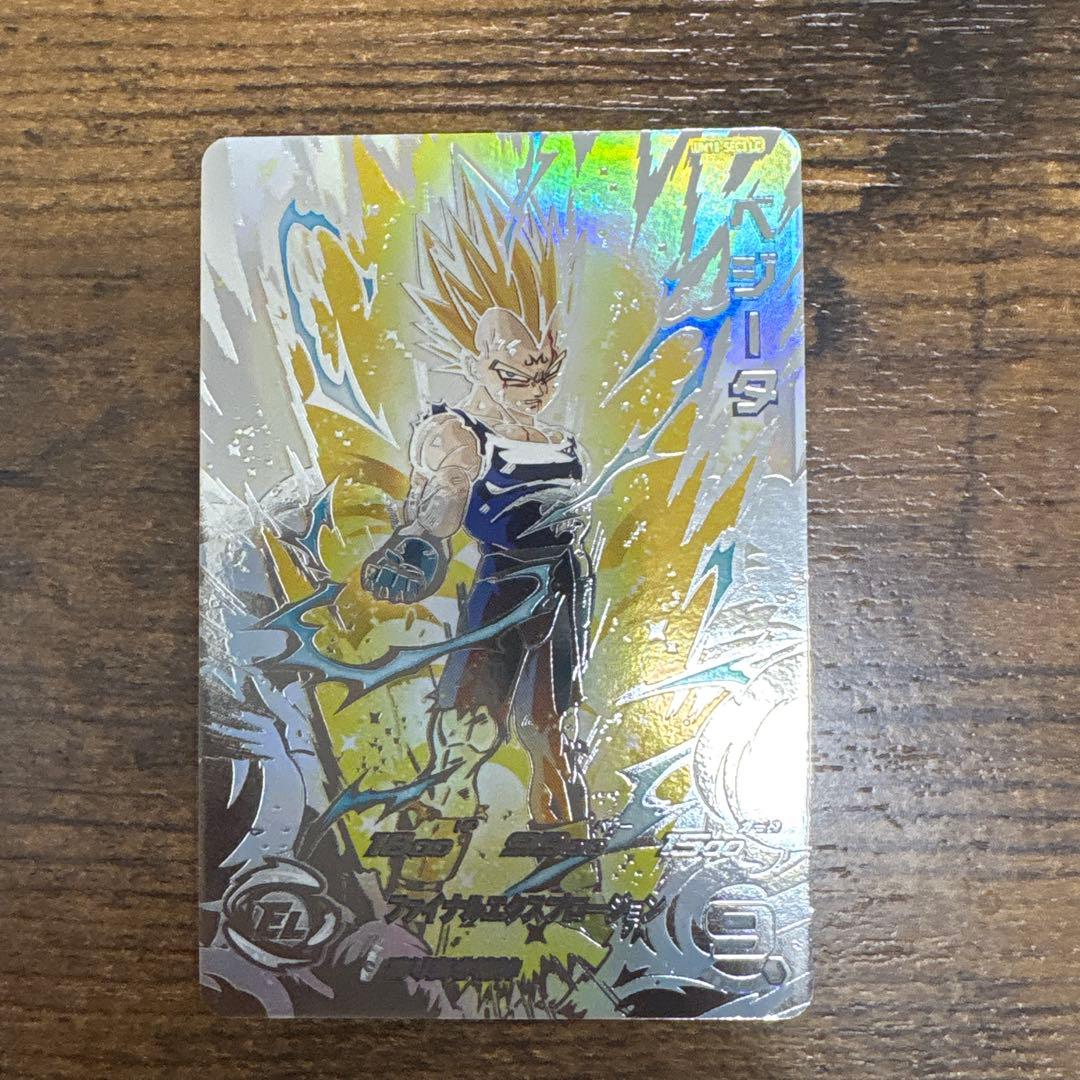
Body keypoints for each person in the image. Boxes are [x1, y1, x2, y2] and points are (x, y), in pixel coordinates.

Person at [360, 168, 594, 890]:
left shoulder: (556, 435)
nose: (539, 389)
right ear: (476, 364)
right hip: (503, 590)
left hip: (566, 588)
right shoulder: (457, 432)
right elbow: (442, 499)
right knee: (470, 726)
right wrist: (419, 541)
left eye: (547, 370)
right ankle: (421, 868)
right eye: (519, 375)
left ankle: (564, 862)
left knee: (552, 728)